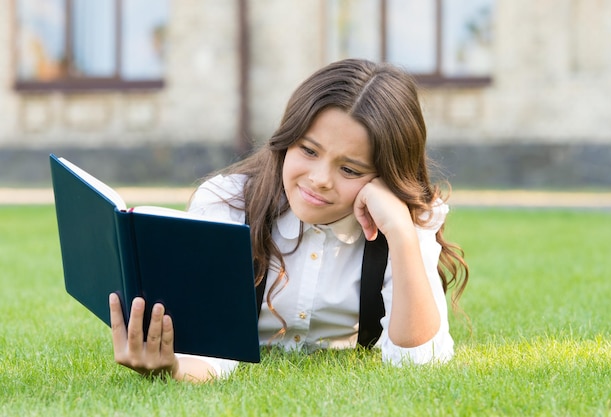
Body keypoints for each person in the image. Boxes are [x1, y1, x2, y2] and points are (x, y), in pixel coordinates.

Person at [109, 58, 469, 382]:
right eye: (308, 151)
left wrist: (402, 236)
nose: (319, 179)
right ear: (286, 139)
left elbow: (421, 361)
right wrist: (172, 367)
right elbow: (212, 354)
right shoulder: (230, 205)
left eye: (349, 169)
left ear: (385, 175)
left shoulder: (405, 217)